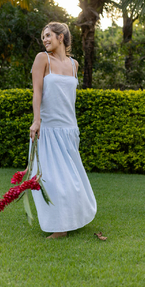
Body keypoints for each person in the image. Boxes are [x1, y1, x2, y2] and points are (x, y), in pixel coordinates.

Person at [30, 22, 97, 239]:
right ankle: (60, 227)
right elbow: (37, 93)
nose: (45, 40)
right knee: (48, 179)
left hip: (69, 130)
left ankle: (69, 220)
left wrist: (73, 129)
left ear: (61, 37)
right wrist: (36, 121)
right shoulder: (43, 59)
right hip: (47, 130)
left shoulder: (74, 65)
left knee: (71, 179)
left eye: (48, 35)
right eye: (43, 37)